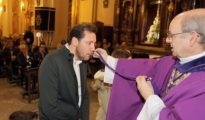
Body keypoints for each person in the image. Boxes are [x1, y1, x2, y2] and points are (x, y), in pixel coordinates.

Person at [93, 8, 205, 120]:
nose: (167, 40)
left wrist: (150, 97)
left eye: (172, 35)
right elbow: (143, 68)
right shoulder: (170, 61)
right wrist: (109, 60)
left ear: (192, 38)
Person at [39, 23, 97, 120]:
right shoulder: (51, 61)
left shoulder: (82, 61)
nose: (93, 48)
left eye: (94, 43)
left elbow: (84, 96)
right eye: (89, 43)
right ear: (75, 41)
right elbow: (49, 108)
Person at [91, 48, 131, 120]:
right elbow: (110, 109)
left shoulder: (122, 79)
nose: (132, 65)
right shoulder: (105, 83)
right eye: (129, 62)